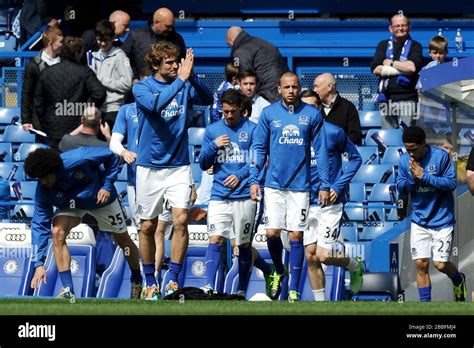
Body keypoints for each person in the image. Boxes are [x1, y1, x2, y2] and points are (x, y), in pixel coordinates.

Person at [133, 42, 212, 299]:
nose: (175, 65)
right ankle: (149, 281)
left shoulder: (184, 81)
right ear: (156, 65)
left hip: (178, 166)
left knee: (180, 220)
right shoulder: (141, 87)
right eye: (169, 62)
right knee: (147, 226)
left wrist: (193, 75)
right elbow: (156, 106)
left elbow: (208, 99)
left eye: (177, 61)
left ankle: (173, 279)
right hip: (149, 167)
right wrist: (181, 81)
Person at [249, 72, 330, 301]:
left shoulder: (312, 115)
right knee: (272, 233)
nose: (291, 91)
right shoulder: (268, 114)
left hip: (300, 187)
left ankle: (294, 290)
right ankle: (278, 269)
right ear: (279, 89)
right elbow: (258, 147)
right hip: (274, 184)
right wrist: (255, 179)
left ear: (299, 88)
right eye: (287, 87)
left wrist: (324, 184)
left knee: (296, 236)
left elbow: (322, 151)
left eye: (295, 87)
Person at [110, 88, 197, 297]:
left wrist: (191, 182)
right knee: (146, 227)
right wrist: (123, 151)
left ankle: (163, 279)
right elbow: (114, 141)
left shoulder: (170, 106)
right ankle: (149, 281)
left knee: (170, 225)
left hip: (172, 173)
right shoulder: (127, 110)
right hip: (139, 178)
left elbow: (179, 141)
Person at [26, 147, 142, 299]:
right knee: (57, 232)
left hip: (102, 200)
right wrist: (38, 263)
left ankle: (136, 279)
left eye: (45, 177)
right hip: (72, 206)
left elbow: (111, 157)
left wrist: (106, 186)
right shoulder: (43, 189)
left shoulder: (78, 157)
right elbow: (39, 224)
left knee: (123, 240)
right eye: (39, 179)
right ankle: (68, 290)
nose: (43, 182)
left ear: (54, 169)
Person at [198, 89, 258, 296]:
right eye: (225, 112)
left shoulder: (252, 130)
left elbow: (258, 162)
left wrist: (240, 175)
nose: (229, 116)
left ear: (242, 109)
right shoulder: (213, 131)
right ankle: (209, 286)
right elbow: (203, 164)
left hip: (244, 196)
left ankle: (241, 290)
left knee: (242, 245)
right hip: (219, 195)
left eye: (233, 111)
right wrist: (213, 146)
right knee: (215, 239)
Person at [397, 126, 467, 302]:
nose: (410, 153)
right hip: (419, 220)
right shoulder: (404, 160)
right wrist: (413, 180)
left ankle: (458, 279)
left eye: (413, 149)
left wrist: (424, 176)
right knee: (421, 264)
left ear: (423, 144)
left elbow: (451, 184)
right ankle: (425, 306)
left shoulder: (440, 156)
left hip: (442, 220)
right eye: (407, 149)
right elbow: (400, 186)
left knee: (440, 264)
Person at [304, 121, 363, 301]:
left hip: (329, 202)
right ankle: (321, 306)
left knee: (323, 256)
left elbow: (356, 158)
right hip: (305, 201)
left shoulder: (334, 131)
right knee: (311, 257)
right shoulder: (294, 134)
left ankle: (353, 264)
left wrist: (337, 187)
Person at [33, 36, 106, 150]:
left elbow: (38, 102)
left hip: (52, 129)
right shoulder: (85, 72)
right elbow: (99, 93)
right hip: (77, 127)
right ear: (77, 53)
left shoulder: (47, 72)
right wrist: (86, 109)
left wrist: (45, 121)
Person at [370, 13, 423, 129]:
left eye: (403, 25)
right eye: (397, 26)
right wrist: (403, 68)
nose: (400, 28)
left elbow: (412, 68)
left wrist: (392, 63)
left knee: (408, 137)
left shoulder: (416, 46)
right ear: (390, 28)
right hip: (386, 98)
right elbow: (376, 69)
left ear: (409, 27)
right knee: (389, 137)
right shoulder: (383, 45)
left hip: (408, 99)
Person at [122, 7, 186, 82]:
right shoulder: (136, 37)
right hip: (143, 83)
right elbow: (124, 59)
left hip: (171, 84)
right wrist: (134, 78)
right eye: (167, 26)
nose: (171, 29)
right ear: (156, 23)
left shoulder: (176, 39)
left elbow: (183, 61)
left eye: (172, 26)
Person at [89, 20, 133, 128]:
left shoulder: (120, 56)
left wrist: (101, 80)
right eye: (100, 40)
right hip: (96, 109)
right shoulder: (93, 56)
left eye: (106, 40)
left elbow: (127, 84)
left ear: (113, 38)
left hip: (113, 109)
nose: (103, 43)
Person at [226, 27, 288, 103]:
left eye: (229, 45)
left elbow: (245, 76)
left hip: (266, 95)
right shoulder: (265, 44)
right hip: (282, 90)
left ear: (230, 40)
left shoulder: (240, 51)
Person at [21, 26, 63, 133]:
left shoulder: (65, 61)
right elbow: (27, 93)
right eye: (60, 41)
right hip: (40, 120)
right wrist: (26, 119)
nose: (63, 44)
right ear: (50, 42)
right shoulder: (34, 65)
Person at [313, 73, 362, 145]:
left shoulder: (348, 107)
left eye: (317, 86)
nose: (314, 90)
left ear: (329, 87)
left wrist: (338, 145)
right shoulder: (313, 107)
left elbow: (355, 135)